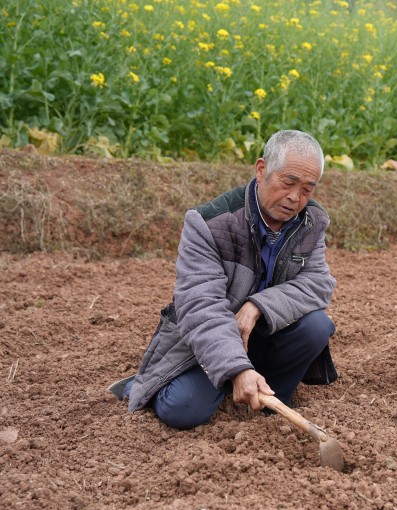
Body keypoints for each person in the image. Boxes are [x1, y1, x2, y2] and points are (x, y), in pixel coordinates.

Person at [108, 130, 337, 428]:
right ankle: (159, 380)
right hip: (210, 335)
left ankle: (272, 397)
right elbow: (201, 306)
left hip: (263, 332)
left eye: (307, 189)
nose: (295, 197)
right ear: (261, 169)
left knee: (316, 326)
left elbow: (318, 283)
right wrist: (237, 368)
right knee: (182, 409)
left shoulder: (312, 221)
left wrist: (258, 306)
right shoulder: (209, 222)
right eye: (288, 182)